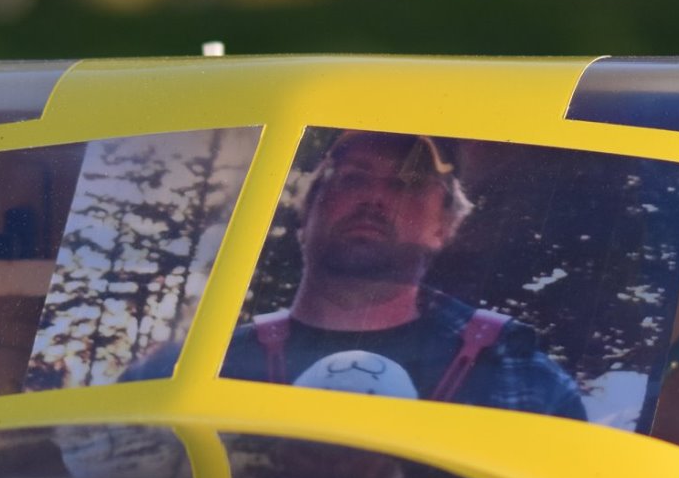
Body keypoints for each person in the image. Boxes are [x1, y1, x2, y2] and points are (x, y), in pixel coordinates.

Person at [223, 130, 588, 421]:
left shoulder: (523, 377)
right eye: (353, 179)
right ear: (307, 212)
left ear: (444, 227)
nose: (374, 198)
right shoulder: (218, 361)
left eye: (405, 184)